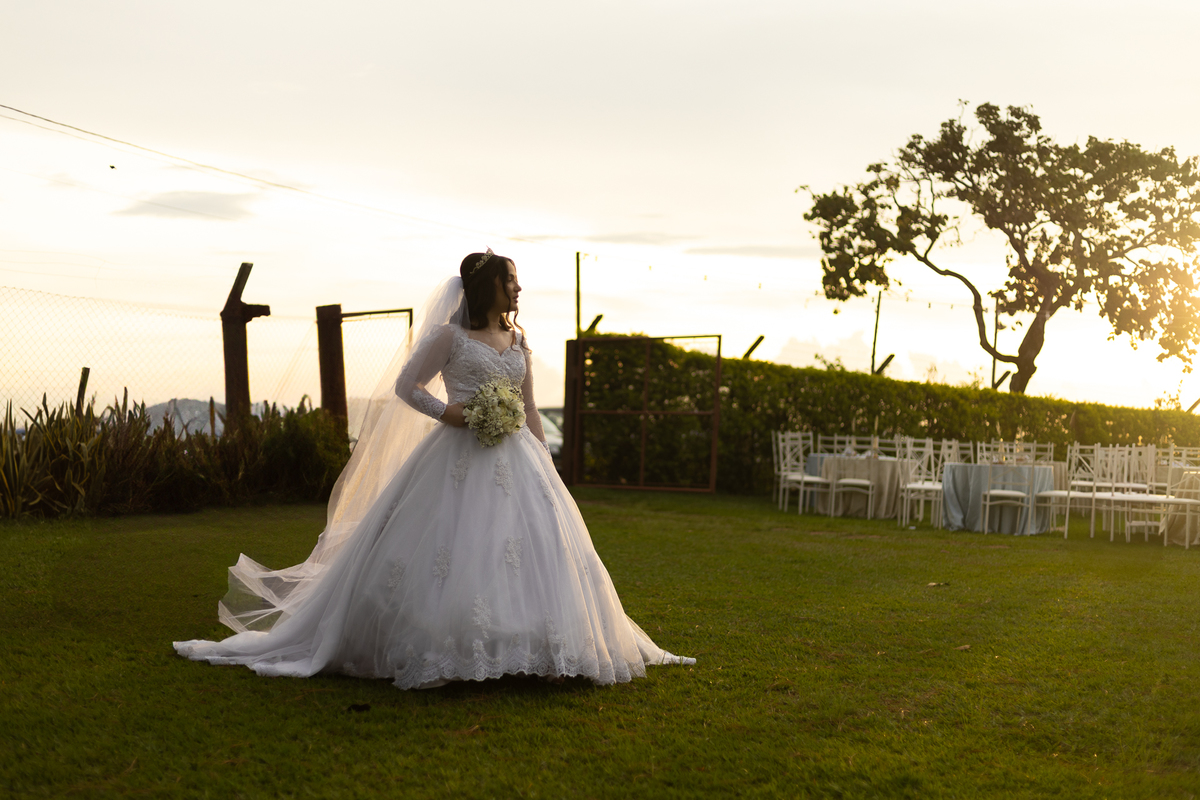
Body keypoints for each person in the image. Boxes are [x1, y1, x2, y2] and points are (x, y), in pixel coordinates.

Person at [174, 250, 695, 688]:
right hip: (456, 455)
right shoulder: (450, 338)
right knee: (456, 549)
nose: (518, 288)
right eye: (510, 280)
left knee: (532, 550)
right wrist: (450, 413)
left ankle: (538, 646)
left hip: (519, 458)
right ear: (487, 287)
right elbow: (407, 386)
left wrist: (545, 459)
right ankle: (451, 647)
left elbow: (530, 405)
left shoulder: (518, 339)